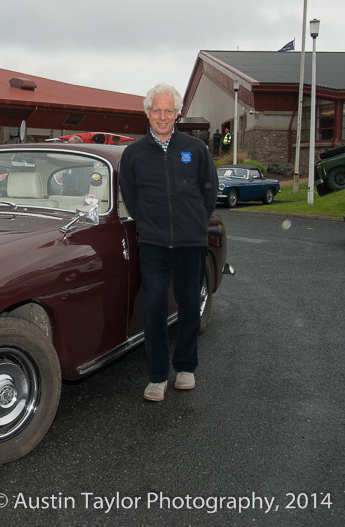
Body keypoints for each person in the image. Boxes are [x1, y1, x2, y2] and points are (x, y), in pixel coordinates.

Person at [118, 82, 217, 402]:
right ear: (147, 113)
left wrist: (195, 223)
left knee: (189, 306)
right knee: (155, 307)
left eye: (169, 110)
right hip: (154, 244)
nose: (162, 116)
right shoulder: (134, 153)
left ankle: (186, 368)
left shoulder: (196, 148)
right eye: (157, 110)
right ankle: (157, 376)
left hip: (190, 243)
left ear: (178, 113)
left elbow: (209, 191)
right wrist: (149, 225)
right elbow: (131, 198)